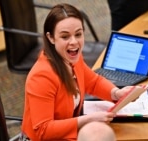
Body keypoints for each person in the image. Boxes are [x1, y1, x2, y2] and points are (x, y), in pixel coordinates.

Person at [20, 3, 138, 141]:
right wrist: (87, 120)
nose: (74, 42)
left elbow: (93, 82)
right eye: (65, 37)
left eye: (78, 34)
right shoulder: (41, 77)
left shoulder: (72, 59)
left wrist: (116, 93)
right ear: (51, 38)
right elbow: (43, 131)